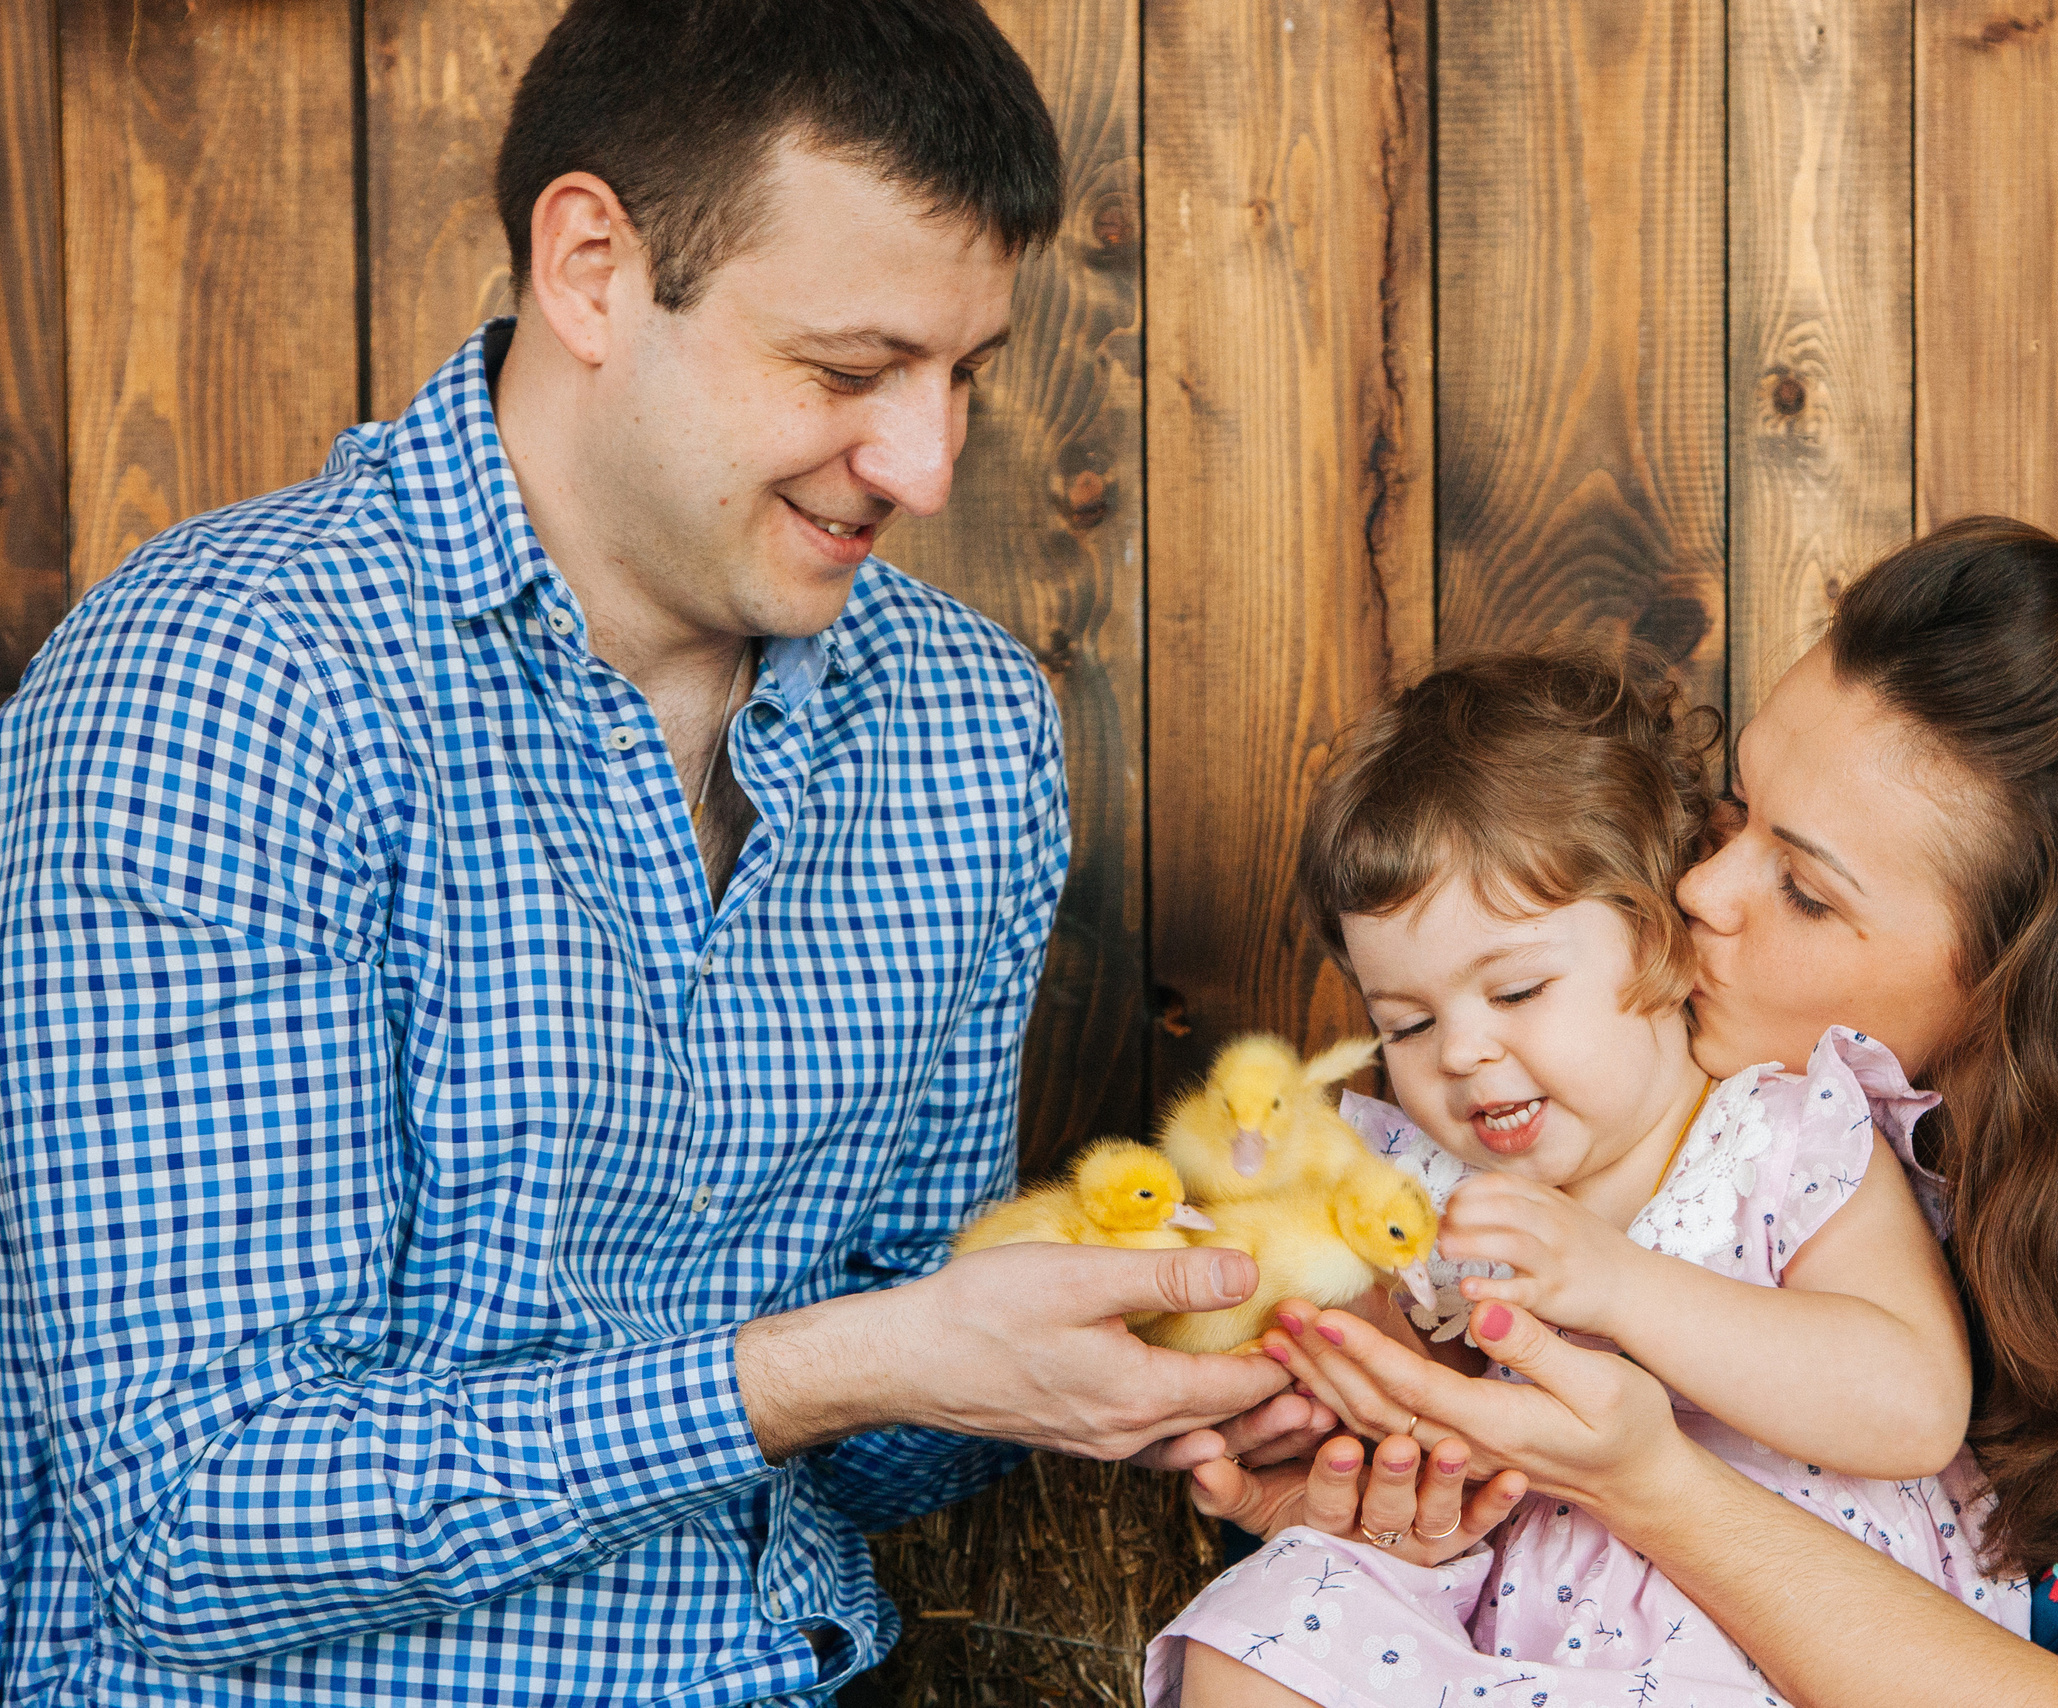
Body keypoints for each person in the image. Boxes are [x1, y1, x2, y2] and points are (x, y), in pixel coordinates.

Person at [0, 3, 1318, 1701]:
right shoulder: (234, 688)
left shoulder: (969, 730)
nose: (924, 465)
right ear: (594, 267)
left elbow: (869, 1438)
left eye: (964, 375)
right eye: (849, 371)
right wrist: (818, 1365)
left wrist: (1175, 1388)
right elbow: (190, 1523)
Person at [1182, 519, 2058, 1708]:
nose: (1700, 888)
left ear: (2014, 988)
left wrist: (1649, 1475)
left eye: (1806, 892)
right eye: (1732, 807)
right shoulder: (1549, 1104)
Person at [1147, 654, 2026, 1704]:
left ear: (1661, 941)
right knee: (1267, 1618)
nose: (1462, 1053)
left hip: (1760, 1624)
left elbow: (1912, 1407)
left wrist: (1621, 1283)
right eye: (1408, 1024)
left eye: (1516, 989)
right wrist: (1311, 1360)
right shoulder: (1420, 1182)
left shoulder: (1777, 1135)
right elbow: (1416, 1381)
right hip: (1504, 1615)